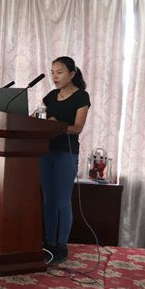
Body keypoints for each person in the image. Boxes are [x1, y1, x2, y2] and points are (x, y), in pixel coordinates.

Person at [39, 56, 90, 265]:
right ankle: (49, 242)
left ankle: (62, 246)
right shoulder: (51, 96)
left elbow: (77, 128)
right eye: (52, 72)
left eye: (59, 72)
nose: (55, 77)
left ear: (72, 74)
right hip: (45, 152)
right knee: (48, 200)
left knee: (62, 201)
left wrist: (57, 125)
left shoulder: (81, 96)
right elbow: (35, 118)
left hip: (66, 153)